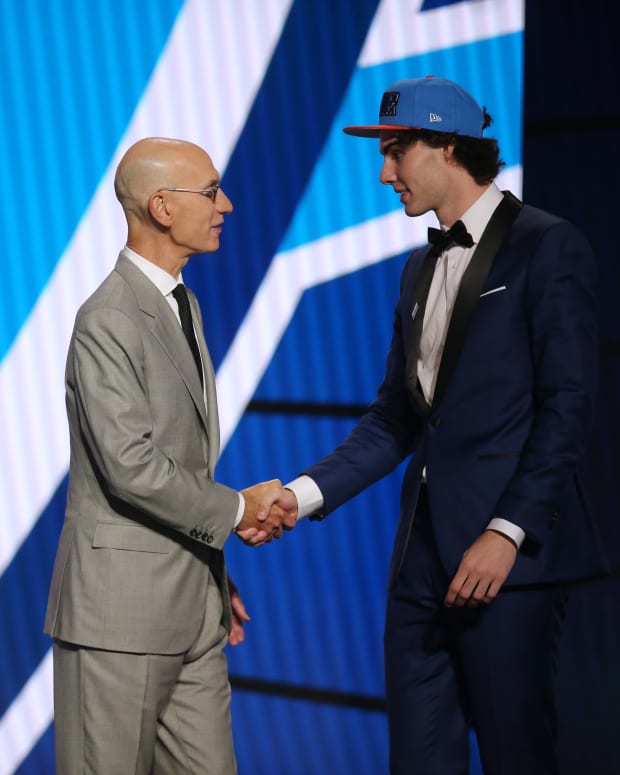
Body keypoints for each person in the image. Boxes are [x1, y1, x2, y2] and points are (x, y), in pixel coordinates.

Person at [273, 77, 609, 774]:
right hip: (419, 567)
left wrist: (506, 531)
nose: (383, 173)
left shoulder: (549, 246)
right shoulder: (416, 269)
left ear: (448, 146)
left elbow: (568, 407)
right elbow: (395, 419)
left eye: (396, 151)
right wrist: (298, 496)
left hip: (507, 565)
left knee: (518, 758)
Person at [44, 137, 297, 775]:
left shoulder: (182, 304)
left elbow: (180, 461)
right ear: (161, 207)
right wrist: (238, 509)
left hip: (194, 610)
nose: (226, 204)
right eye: (210, 192)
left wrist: (208, 567)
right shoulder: (108, 318)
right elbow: (130, 467)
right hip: (119, 619)